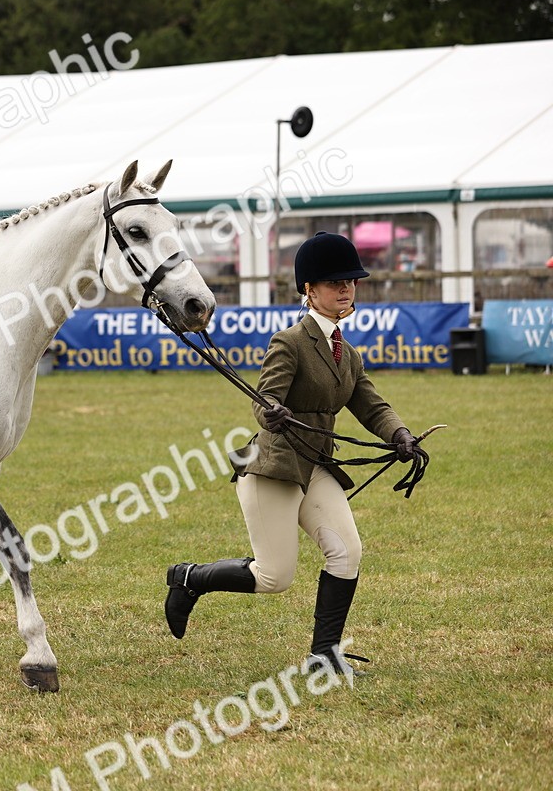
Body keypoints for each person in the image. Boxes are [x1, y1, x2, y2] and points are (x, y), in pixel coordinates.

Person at [163, 232, 418, 675]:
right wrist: (274, 412)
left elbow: (370, 404)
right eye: (334, 282)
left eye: (351, 282)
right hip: (274, 469)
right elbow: (265, 399)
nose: (345, 289)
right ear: (309, 290)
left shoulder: (348, 355)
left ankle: (324, 656)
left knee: (347, 553)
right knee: (274, 577)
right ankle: (190, 578)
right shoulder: (290, 341)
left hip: (317, 466)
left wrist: (401, 436)